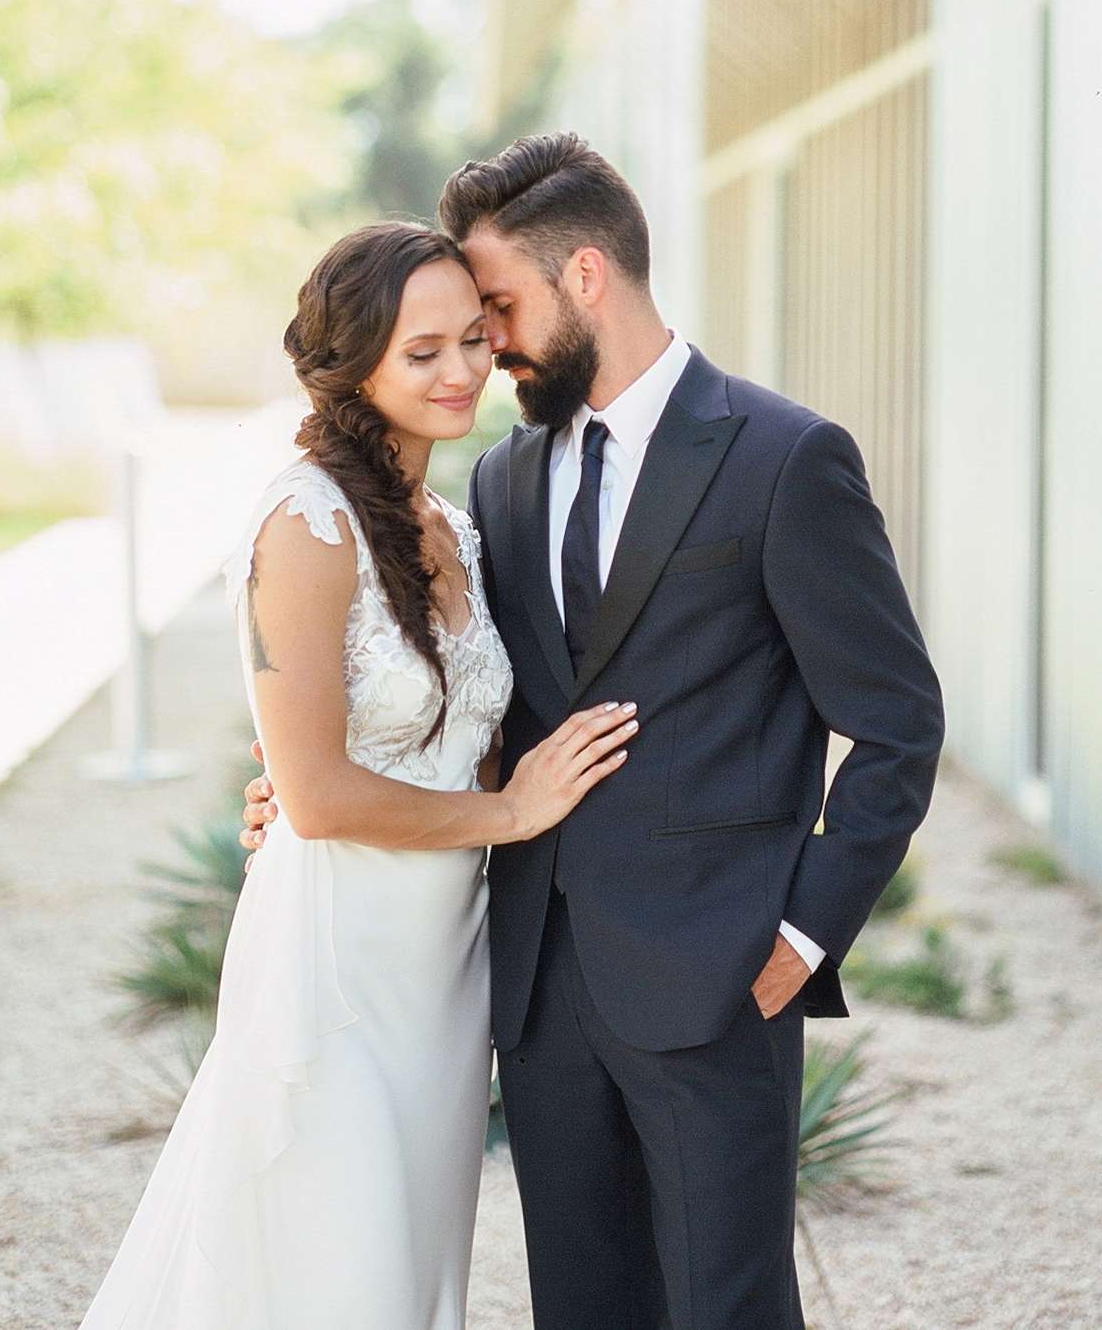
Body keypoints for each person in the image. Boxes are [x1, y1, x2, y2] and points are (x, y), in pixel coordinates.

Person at [242, 134, 946, 1328]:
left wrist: (801, 933)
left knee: (728, 1306)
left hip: (721, 977)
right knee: (583, 1305)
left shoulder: (784, 458)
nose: (484, 347)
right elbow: (476, 704)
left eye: (496, 311)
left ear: (582, 280)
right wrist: (306, 788)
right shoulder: (502, 484)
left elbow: (896, 724)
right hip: (530, 988)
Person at [77, 222, 639, 1330]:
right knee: (340, 1262)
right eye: (421, 350)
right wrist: (514, 809)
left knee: (416, 1254)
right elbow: (323, 796)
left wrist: (490, 799)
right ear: (355, 364)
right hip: (336, 960)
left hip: (446, 959)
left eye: (475, 340)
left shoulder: (459, 529)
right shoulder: (305, 520)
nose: (462, 371)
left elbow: (449, 740)